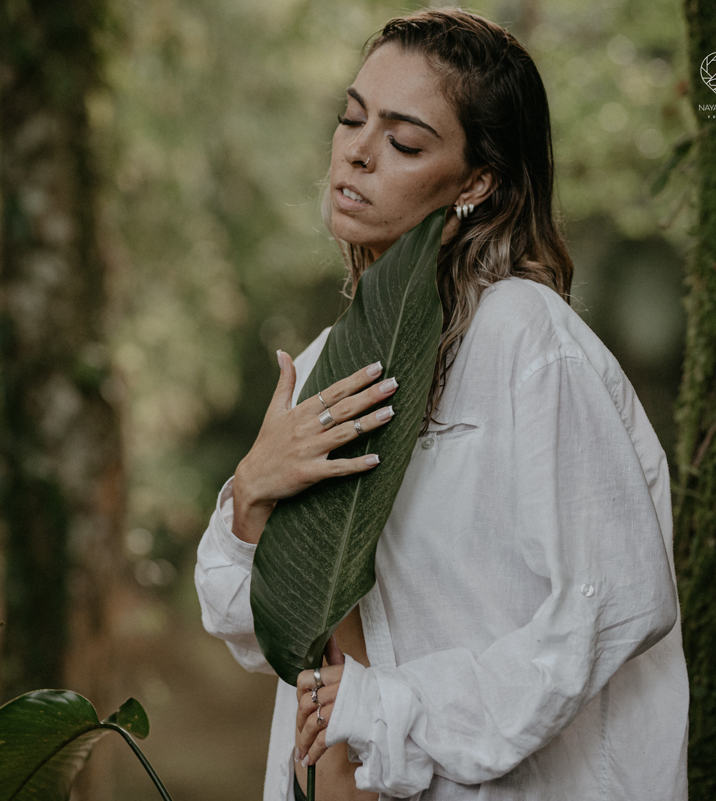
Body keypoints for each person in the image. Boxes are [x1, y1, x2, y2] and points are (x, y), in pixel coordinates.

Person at [194, 8, 689, 801]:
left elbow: (616, 602)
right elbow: (261, 633)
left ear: (477, 181)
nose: (356, 151)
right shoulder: (333, 360)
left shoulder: (527, 340)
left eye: (404, 141)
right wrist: (252, 490)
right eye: (351, 118)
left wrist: (392, 707)